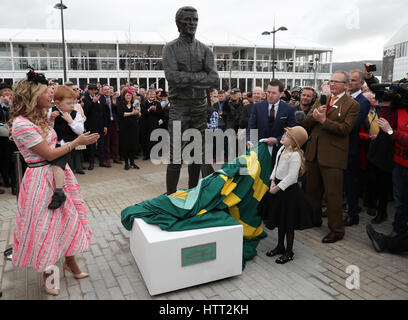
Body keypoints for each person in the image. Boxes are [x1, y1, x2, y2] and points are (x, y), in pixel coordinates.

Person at [10, 69, 99, 296]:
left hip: (59, 175)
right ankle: (48, 277)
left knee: (68, 220)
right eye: (44, 92)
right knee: (45, 229)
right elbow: (49, 154)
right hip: (40, 179)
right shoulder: (21, 124)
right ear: (31, 95)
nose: (50, 95)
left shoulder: (39, 117)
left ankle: (70, 263)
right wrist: (77, 142)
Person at [162, 6, 219, 195]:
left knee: (199, 155)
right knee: (176, 155)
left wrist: (187, 77)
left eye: (195, 19)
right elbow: (173, 77)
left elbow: (213, 79)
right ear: (179, 23)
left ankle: (194, 192)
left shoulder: (204, 50)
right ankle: (170, 196)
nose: (192, 23)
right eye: (188, 20)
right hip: (179, 106)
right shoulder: (170, 48)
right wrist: (199, 76)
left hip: (200, 106)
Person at [303, 71, 360, 244]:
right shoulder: (323, 99)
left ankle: (336, 230)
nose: (332, 84)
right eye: (331, 81)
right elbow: (306, 122)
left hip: (333, 156)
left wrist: (323, 120)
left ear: (346, 85)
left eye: (336, 81)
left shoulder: (352, 105)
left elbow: (345, 129)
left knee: (333, 195)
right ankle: (314, 219)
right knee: (312, 191)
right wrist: (315, 116)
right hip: (314, 152)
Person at [258, 126, 313, 264]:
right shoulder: (282, 150)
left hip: (288, 192)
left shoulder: (295, 155)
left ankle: (289, 251)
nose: (283, 136)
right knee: (280, 221)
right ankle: (280, 246)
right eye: (284, 134)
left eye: (287, 135)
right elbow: (275, 167)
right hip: (277, 186)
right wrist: (272, 180)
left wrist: (277, 188)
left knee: (288, 223)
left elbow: (292, 177)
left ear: (295, 141)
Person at [47, 85, 85, 210]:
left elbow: (80, 131)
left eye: (74, 103)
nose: (72, 106)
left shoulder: (75, 114)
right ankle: (59, 191)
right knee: (57, 169)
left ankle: (64, 194)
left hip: (69, 147)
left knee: (64, 169)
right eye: (69, 103)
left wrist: (71, 121)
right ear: (57, 102)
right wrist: (51, 120)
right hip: (54, 147)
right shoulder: (50, 111)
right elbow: (47, 130)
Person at [247, 79, 296, 169]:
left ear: (281, 94)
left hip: (280, 152)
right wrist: (251, 141)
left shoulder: (288, 109)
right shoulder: (257, 107)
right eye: (268, 92)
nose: (270, 95)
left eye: (273, 93)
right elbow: (252, 126)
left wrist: (277, 140)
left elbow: (291, 130)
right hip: (259, 151)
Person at [343, 70, 370, 226]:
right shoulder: (344, 98)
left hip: (350, 148)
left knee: (350, 183)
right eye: (349, 79)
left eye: (353, 80)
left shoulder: (363, 101)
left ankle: (353, 215)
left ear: (361, 83)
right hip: (338, 147)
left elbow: (352, 126)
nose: (350, 82)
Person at [83, 84, 108, 170]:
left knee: (101, 144)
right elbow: (86, 111)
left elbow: (103, 112)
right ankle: (91, 163)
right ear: (89, 90)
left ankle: (102, 161)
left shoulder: (101, 98)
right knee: (91, 145)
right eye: (92, 90)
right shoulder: (85, 99)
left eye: (95, 90)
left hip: (100, 125)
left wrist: (105, 125)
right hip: (91, 125)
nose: (94, 91)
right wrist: (93, 102)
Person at [117, 88, 141, 170]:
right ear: (124, 96)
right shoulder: (120, 104)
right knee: (125, 145)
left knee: (133, 145)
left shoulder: (134, 104)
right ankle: (126, 163)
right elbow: (121, 114)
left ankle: (132, 163)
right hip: (124, 128)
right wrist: (132, 113)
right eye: (127, 95)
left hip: (133, 127)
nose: (129, 97)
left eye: (130, 95)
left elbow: (137, 113)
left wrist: (138, 113)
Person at [140, 89, 163, 160]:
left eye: (153, 95)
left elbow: (161, 113)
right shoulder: (143, 103)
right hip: (146, 124)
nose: (152, 96)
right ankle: (146, 154)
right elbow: (143, 113)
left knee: (154, 139)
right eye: (150, 95)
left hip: (154, 124)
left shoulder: (157, 103)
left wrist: (155, 110)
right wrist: (150, 109)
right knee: (146, 139)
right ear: (147, 95)